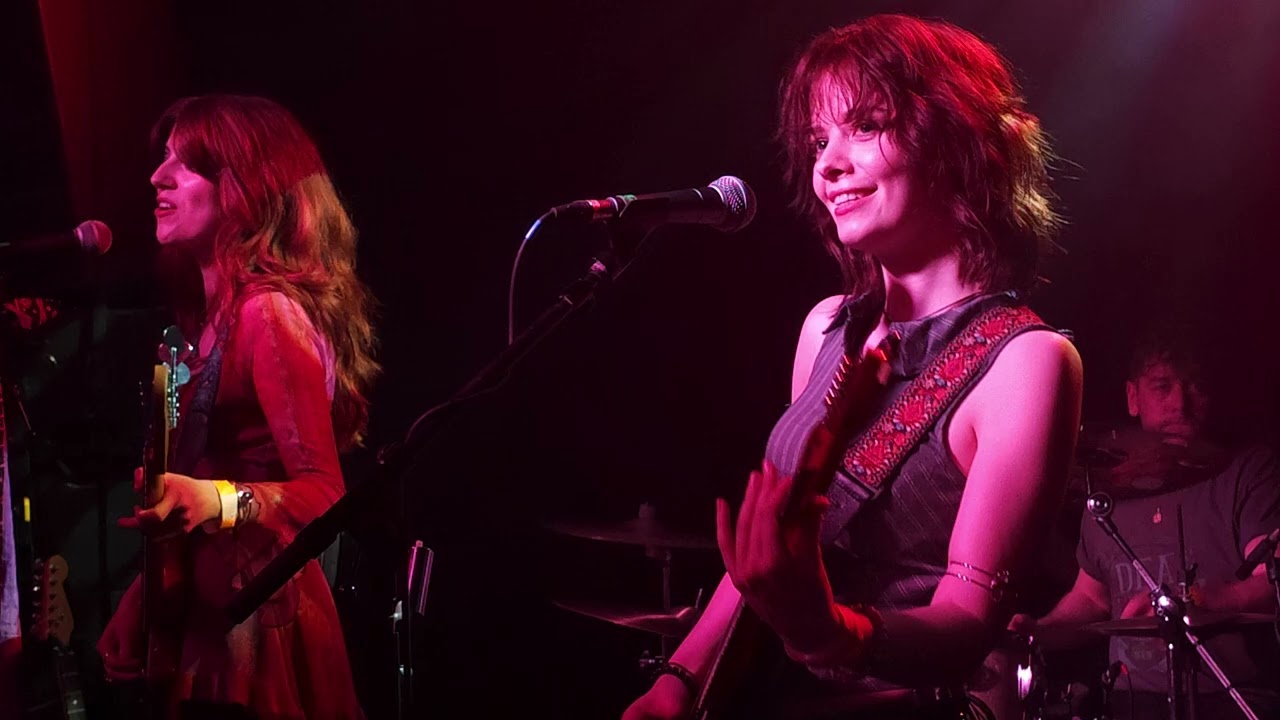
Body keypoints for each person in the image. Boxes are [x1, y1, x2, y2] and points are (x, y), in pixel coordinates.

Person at [623, 13, 1082, 720]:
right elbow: (769, 558)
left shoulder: (1026, 362)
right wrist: (680, 679)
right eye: (818, 140)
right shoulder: (826, 329)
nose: (827, 165)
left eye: (865, 126)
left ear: (955, 140)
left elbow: (968, 622)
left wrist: (832, 632)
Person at [96, 94, 379, 719]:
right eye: (162, 159)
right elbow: (197, 489)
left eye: (185, 163)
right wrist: (142, 596)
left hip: (262, 628)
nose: (157, 177)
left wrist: (216, 501)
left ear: (244, 187)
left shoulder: (267, 313)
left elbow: (326, 493)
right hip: (211, 623)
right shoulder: (209, 323)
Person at [1014, 325, 1280, 719]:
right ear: (1132, 397)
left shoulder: (1247, 471)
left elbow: (1271, 580)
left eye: (1195, 386)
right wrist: (1038, 630)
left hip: (1232, 700)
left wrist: (1195, 602)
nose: (1180, 404)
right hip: (1133, 702)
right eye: (1162, 386)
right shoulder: (1110, 494)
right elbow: (1092, 599)